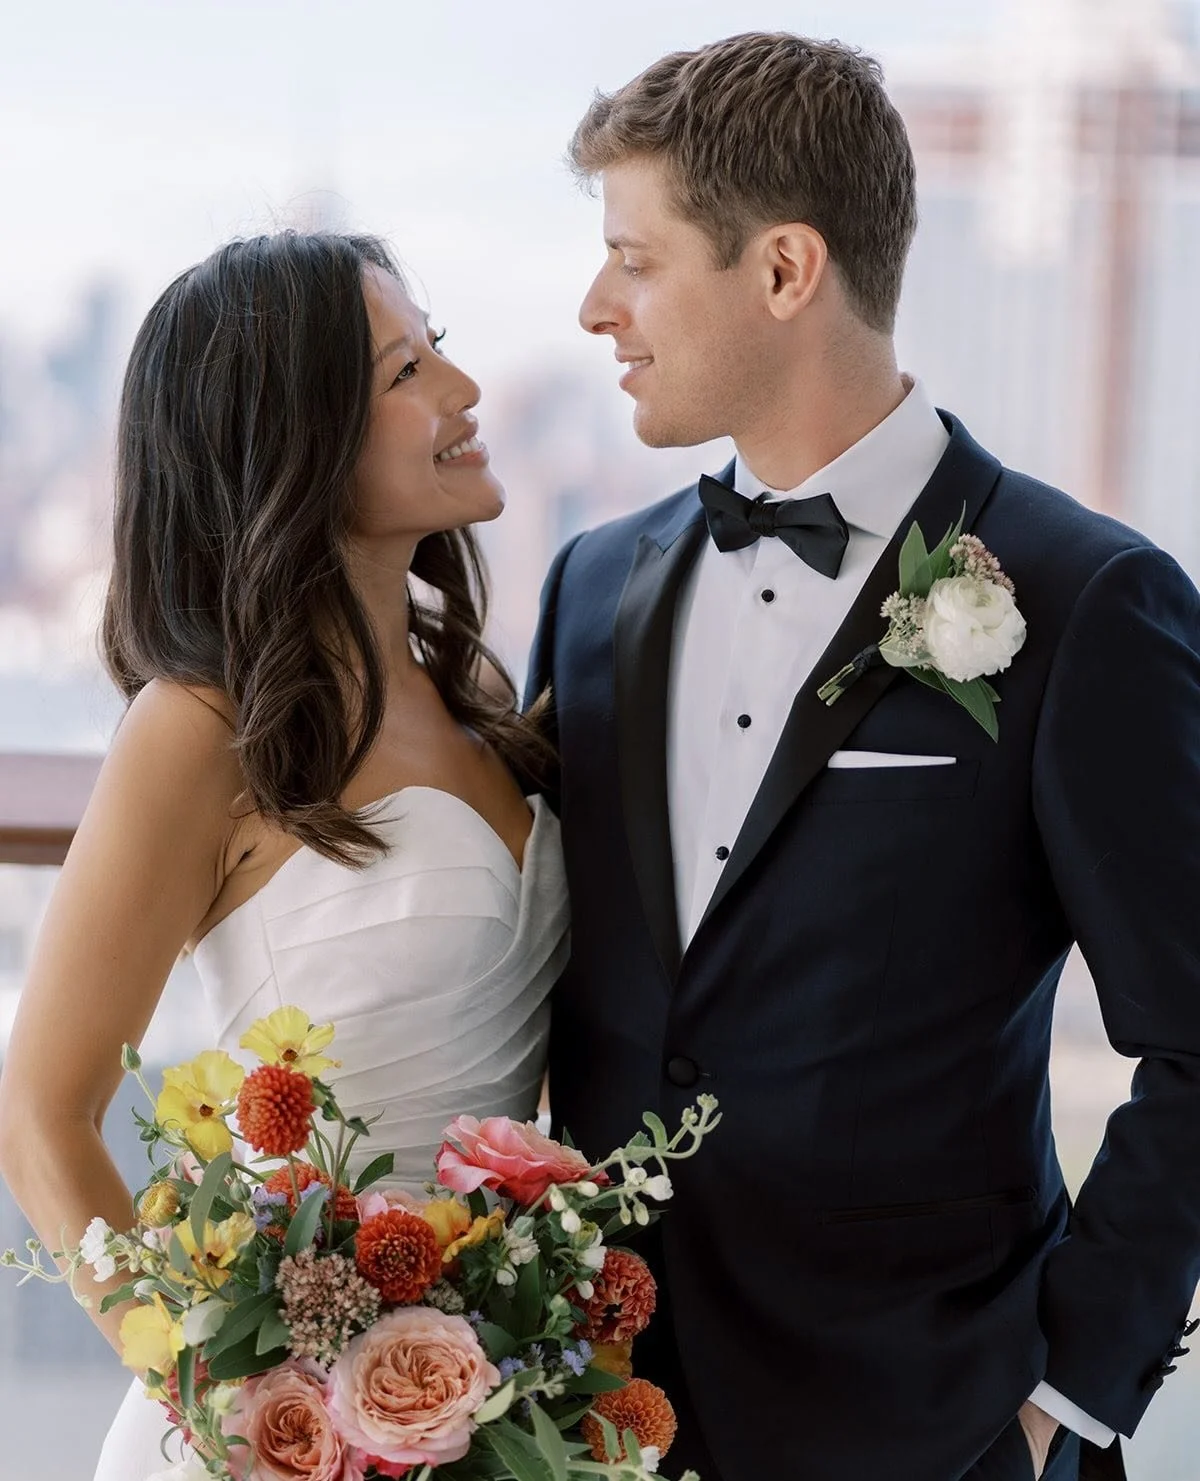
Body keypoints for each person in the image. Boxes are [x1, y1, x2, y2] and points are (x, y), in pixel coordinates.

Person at [528, 31, 1200, 1481]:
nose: (596, 307)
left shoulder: (1086, 601)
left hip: (941, 1434)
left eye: (634, 262)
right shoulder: (587, 588)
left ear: (784, 271)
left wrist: (1061, 1401)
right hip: (590, 1424)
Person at [0, 230, 568, 1478]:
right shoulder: (198, 729)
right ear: (293, 439)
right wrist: (234, 1401)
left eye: (440, 353)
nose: (464, 395)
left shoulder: (473, 688)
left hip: (487, 1404)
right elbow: (42, 1115)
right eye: (407, 371)